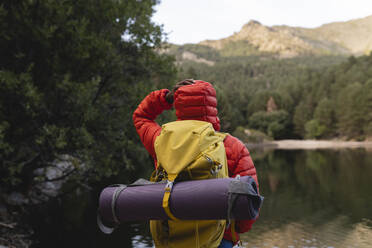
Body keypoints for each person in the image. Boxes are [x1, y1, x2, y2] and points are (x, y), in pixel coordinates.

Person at [133, 79, 259, 247]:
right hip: (219, 241)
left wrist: (167, 98)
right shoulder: (233, 146)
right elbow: (247, 209)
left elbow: (141, 116)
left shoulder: (160, 141)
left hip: (171, 239)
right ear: (212, 106)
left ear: (179, 107)